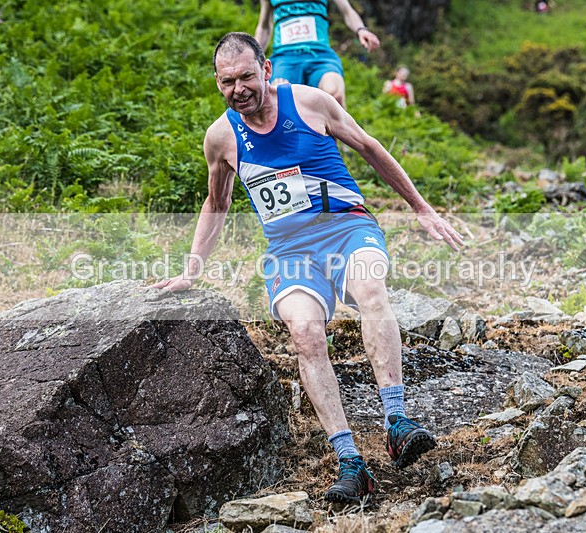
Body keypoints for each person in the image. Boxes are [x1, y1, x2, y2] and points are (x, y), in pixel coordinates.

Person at [151, 32, 464, 504]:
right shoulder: (220, 138)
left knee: (371, 291)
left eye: (247, 77)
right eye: (227, 81)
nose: (239, 89)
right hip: (290, 253)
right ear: (218, 83)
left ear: (267, 70)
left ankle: (397, 420)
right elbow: (216, 203)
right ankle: (351, 463)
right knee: (305, 332)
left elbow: (369, 146)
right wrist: (192, 270)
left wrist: (421, 207)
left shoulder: (311, 103)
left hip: (346, 229)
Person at [254, 0, 380, 108]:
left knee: (335, 95)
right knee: (279, 100)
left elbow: (347, 11)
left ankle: (334, 136)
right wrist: (253, 59)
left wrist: (361, 30)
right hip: (285, 58)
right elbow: (264, 27)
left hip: (320, 55)